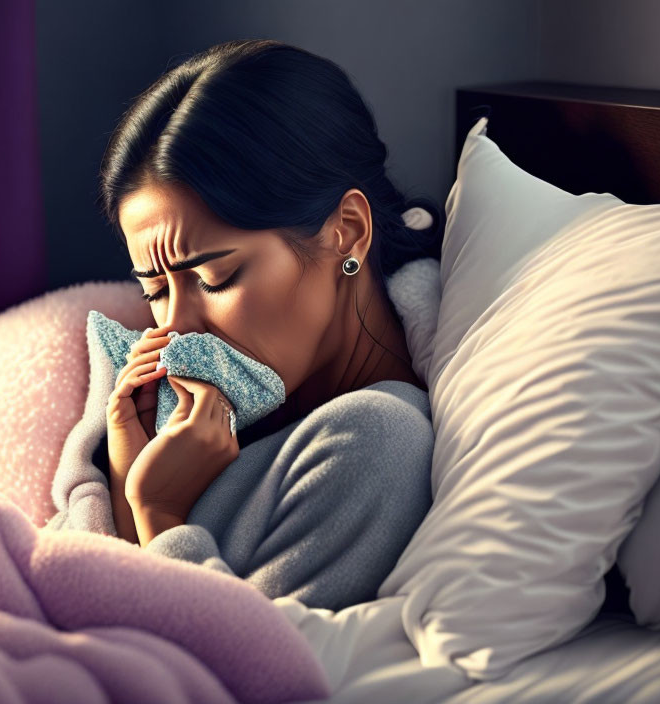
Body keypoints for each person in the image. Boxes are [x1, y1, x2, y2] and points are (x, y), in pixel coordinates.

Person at [97, 39, 441, 612]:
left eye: (216, 277)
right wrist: (119, 474)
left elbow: (240, 665)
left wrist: (158, 512)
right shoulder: (166, 405)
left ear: (347, 232)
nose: (176, 327)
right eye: (154, 290)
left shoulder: (377, 438)